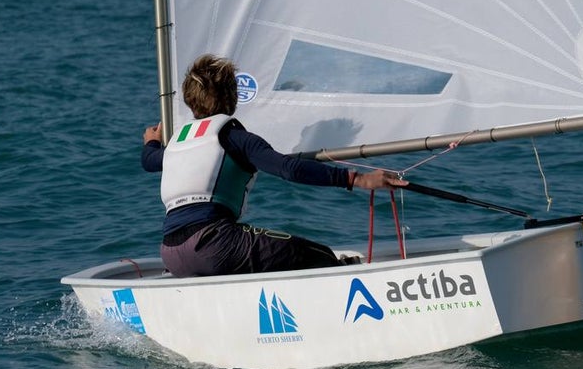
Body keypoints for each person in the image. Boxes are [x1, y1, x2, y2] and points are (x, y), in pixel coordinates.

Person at [142, 53, 405, 278]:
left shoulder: (177, 143)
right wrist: (358, 179)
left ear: (190, 100)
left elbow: (149, 161)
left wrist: (151, 142)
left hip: (171, 253)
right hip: (215, 245)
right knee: (317, 254)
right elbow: (289, 169)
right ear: (232, 96)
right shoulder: (235, 138)